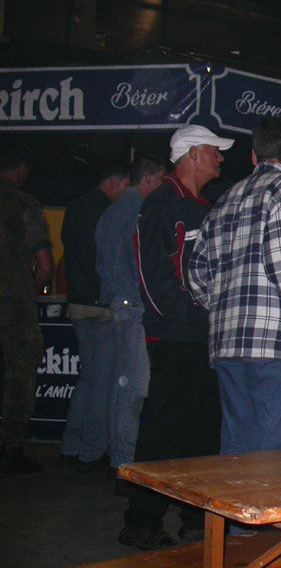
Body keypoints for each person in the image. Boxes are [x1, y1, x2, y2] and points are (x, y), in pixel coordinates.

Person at [119, 125, 232, 551]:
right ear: (192, 155)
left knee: (202, 430)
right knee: (163, 430)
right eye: (214, 151)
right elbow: (152, 277)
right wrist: (190, 317)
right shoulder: (163, 203)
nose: (220, 158)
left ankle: (195, 517)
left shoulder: (203, 206)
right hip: (173, 338)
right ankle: (141, 521)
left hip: (202, 337)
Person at [189, 117, 281, 456]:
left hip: (227, 342)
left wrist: (223, 305)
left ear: (253, 155)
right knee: (271, 458)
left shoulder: (225, 198)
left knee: (236, 450)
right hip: (272, 343)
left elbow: (196, 271)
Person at [94, 154, 166, 477]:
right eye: (160, 178)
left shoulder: (110, 211)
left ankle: (114, 454)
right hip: (134, 305)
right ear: (148, 179)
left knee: (116, 385)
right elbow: (144, 263)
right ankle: (125, 462)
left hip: (112, 305)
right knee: (134, 389)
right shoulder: (138, 211)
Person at [60, 162, 130, 472]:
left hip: (78, 303)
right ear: (115, 181)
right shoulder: (108, 213)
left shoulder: (75, 207)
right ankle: (91, 451)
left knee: (89, 377)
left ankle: (71, 446)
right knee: (103, 381)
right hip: (101, 305)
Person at [0, 143, 52, 475]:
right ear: (21, 170)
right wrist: (27, 293)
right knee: (19, 375)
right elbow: (44, 265)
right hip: (14, 308)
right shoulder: (23, 205)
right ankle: (11, 448)